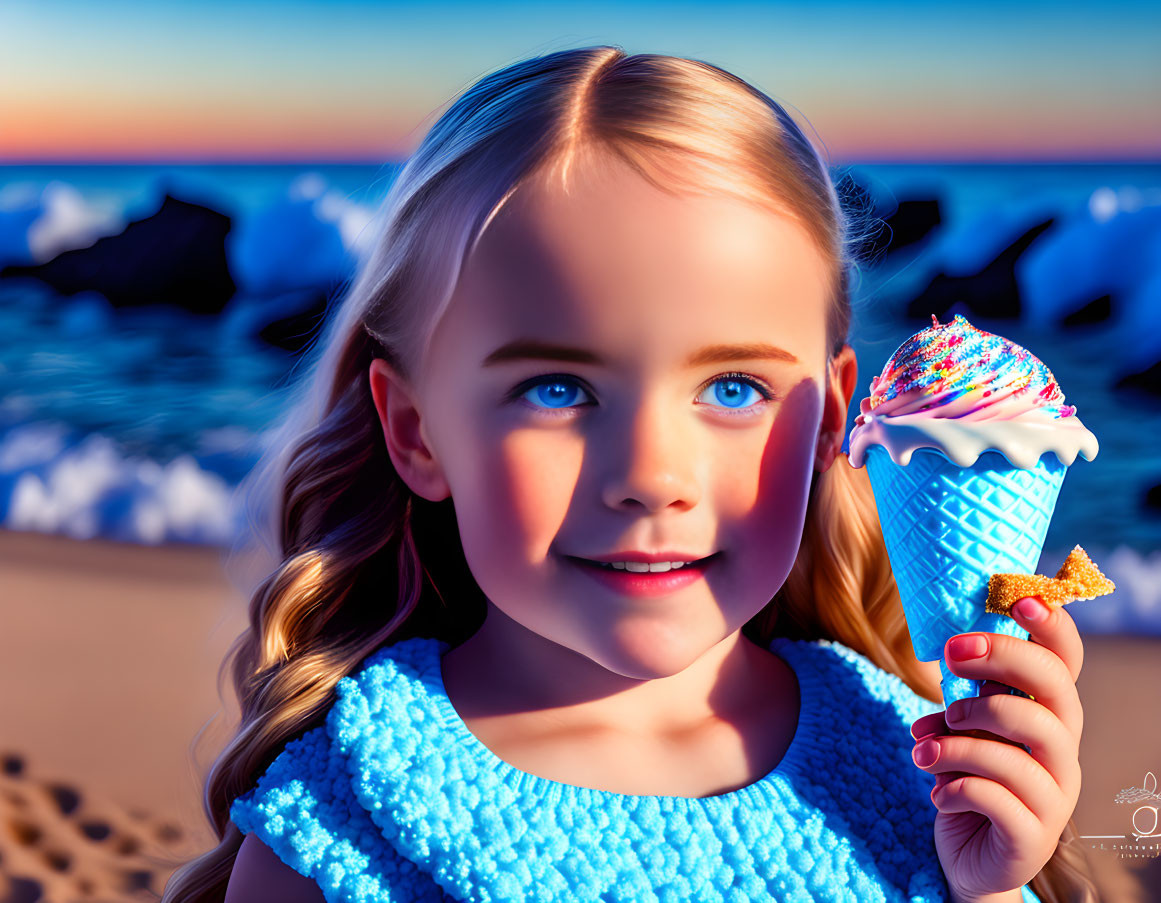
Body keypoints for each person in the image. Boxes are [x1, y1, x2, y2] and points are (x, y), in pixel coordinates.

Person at [162, 46, 1101, 903]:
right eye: (558, 387)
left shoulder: (913, 770)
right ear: (417, 431)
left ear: (825, 418)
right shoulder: (341, 823)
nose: (652, 476)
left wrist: (987, 887)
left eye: (733, 386)